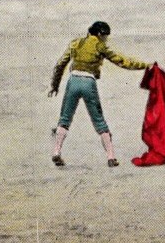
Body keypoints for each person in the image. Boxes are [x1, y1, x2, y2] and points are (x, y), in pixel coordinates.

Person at [48, 21, 150, 168]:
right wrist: (145, 66)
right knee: (99, 121)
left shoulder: (75, 43)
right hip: (88, 82)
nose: (106, 40)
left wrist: (55, 85)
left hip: (73, 81)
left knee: (64, 119)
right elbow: (122, 61)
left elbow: (60, 65)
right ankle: (111, 157)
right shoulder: (100, 46)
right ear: (100, 34)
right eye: (105, 36)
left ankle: (56, 152)